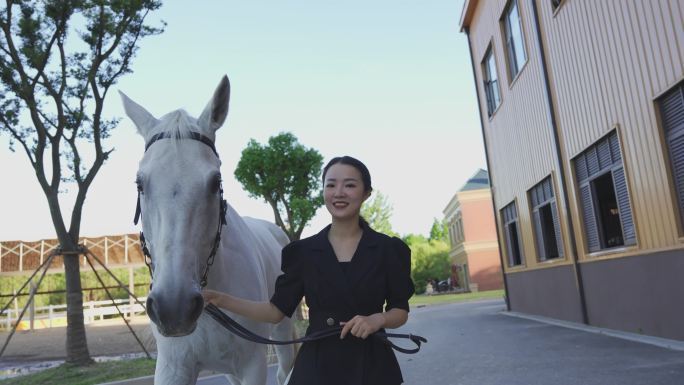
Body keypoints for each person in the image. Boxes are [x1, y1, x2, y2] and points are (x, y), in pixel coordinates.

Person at [202, 155, 415, 385]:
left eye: (350, 185)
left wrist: (377, 319)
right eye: (331, 185)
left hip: (372, 365)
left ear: (366, 193)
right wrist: (220, 299)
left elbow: (400, 312)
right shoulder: (302, 252)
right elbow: (275, 312)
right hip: (317, 366)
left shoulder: (388, 250)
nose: (339, 192)